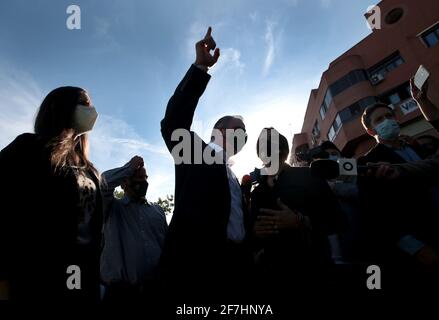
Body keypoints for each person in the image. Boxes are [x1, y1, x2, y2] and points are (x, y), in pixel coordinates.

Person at [159, 27, 251, 299]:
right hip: (196, 274)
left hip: (235, 272)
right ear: (217, 132)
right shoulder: (195, 152)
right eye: (237, 129)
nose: (243, 136)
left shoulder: (233, 177)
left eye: (245, 134)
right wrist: (200, 68)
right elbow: (174, 121)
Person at [0, 86, 103, 301]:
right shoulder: (28, 147)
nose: (92, 110)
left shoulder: (91, 170)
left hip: (81, 277)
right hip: (37, 278)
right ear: (62, 108)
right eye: (84, 103)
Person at [250, 128, 347, 295]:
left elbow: (337, 221)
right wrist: (256, 233)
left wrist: (301, 221)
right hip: (275, 276)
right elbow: (252, 233)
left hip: (315, 271)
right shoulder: (257, 193)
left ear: (285, 151)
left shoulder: (309, 175)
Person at [357, 103, 439, 290]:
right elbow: (375, 212)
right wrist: (415, 247)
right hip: (420, 241)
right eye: (379, 119)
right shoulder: (367, 163)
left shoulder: (420, 147)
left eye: (389, 115)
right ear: (371, 131)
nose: (387, 121)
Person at [100, 156, 168, 302]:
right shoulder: (112, 208)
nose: (142, 181)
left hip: (156, 291)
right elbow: (103, 182)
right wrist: (129, 168)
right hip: (120, 295)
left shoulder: (158, 211)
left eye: (145, 177)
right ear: (123, 183)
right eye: (137, 177)